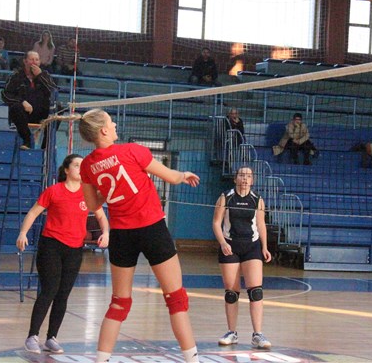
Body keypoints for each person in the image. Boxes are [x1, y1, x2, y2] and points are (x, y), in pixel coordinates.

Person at [77, 109, 201, 363]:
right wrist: (183, 175)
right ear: (103, 130)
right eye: (111, 122)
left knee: (119, 303)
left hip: (122, 235)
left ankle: (101, 360)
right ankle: (192, 360)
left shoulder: (88, 165)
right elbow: (171, 177)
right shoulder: (133, 150)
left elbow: (92, 205)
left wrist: (109, 188)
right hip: (152, 229)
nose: (115, 125)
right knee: (176, 299)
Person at [17, 154, 109, 355]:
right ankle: (32, 336)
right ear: (66, 170)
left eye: (83, 166)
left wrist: (106, 233)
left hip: (75, 249)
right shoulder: (54, 191)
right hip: (51, 246)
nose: (81, 169)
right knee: (49, 290)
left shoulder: (88, 194)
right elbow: (33, 212)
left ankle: (51, 338)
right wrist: (23, 233)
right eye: (77, 165)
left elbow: (102, 216)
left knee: (63, 294)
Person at [212, 166, 272, 349]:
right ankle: (232, 332)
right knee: (231, 293)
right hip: (230, 246)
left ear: (252, 180)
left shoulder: (257, 200)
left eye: (248, 176)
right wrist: (223, 243)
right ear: (235, 179)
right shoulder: (226, 197)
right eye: (241, 175)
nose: (245, 179)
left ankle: (257, 335)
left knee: (256, 291)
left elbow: (261, 225)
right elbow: (216, 223)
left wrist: (265, 247)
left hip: (251, 246)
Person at [1, 50, 57, 150]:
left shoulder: (45, 75)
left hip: (41, 113)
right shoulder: (16, 76)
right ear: (25, 61)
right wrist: (22, 102)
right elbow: (5, 95)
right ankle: (27, 140)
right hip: (23, 114)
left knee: (59, 108)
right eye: (31, 59)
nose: (34, 62)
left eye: (37, 60)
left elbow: (54, 92)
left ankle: (45, 146)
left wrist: (40, 76)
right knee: (15, 107)